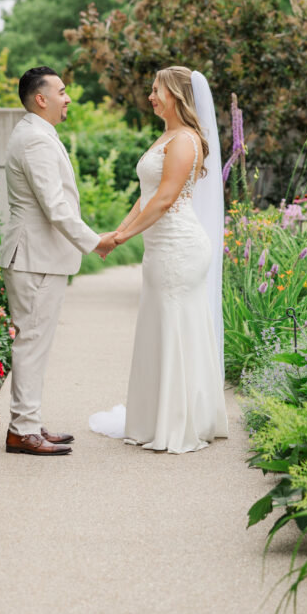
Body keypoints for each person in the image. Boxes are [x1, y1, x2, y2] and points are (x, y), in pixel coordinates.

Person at [93, 66, 228, 454]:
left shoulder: (185, 139)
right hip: (160, 248)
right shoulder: (166, 137)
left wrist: (123, 237)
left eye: (157, 90)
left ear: (178, 96)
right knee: (161, 324)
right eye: (151, 89)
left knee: (175, 325)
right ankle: (160, 415)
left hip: (179, 247)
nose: (151, 96)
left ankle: (179, 422)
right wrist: (117, 234)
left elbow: (166, 200)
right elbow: (146, 195)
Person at [0, 66, 114, 457]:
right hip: (35, 257)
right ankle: (22, 430)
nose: (68, 98)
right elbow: (55, 206)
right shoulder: (35, 139)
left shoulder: (36, 134)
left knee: (35, 342)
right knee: (31, 343)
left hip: (37, 255)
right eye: (61, 92)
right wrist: (94, 241)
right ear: (41, 98)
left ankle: (27, 422)